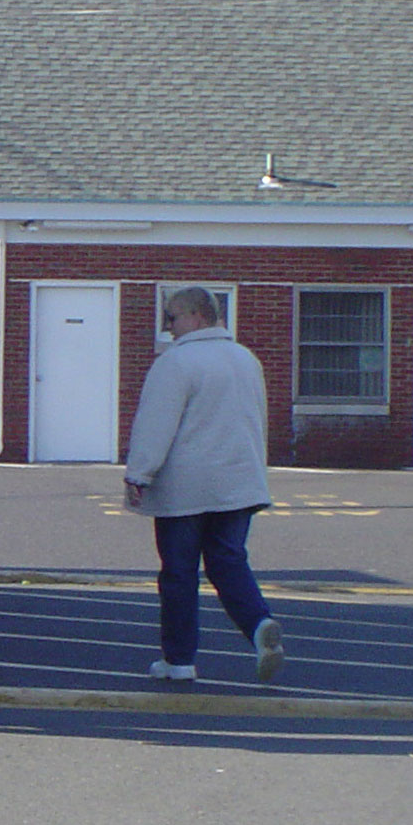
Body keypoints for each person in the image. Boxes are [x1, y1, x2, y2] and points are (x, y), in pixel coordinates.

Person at [125, 285, 284, 683]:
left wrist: (139, 473)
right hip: (239, 481)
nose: (168, 327)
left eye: (173, 317)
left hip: (186, 486)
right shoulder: (245, 359)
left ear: (197, 316)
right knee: (228, 561)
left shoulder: (176, 362)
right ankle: (259, 624)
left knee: (179, 573)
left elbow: (156, 424)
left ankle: (179, 661)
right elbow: (257, 419)